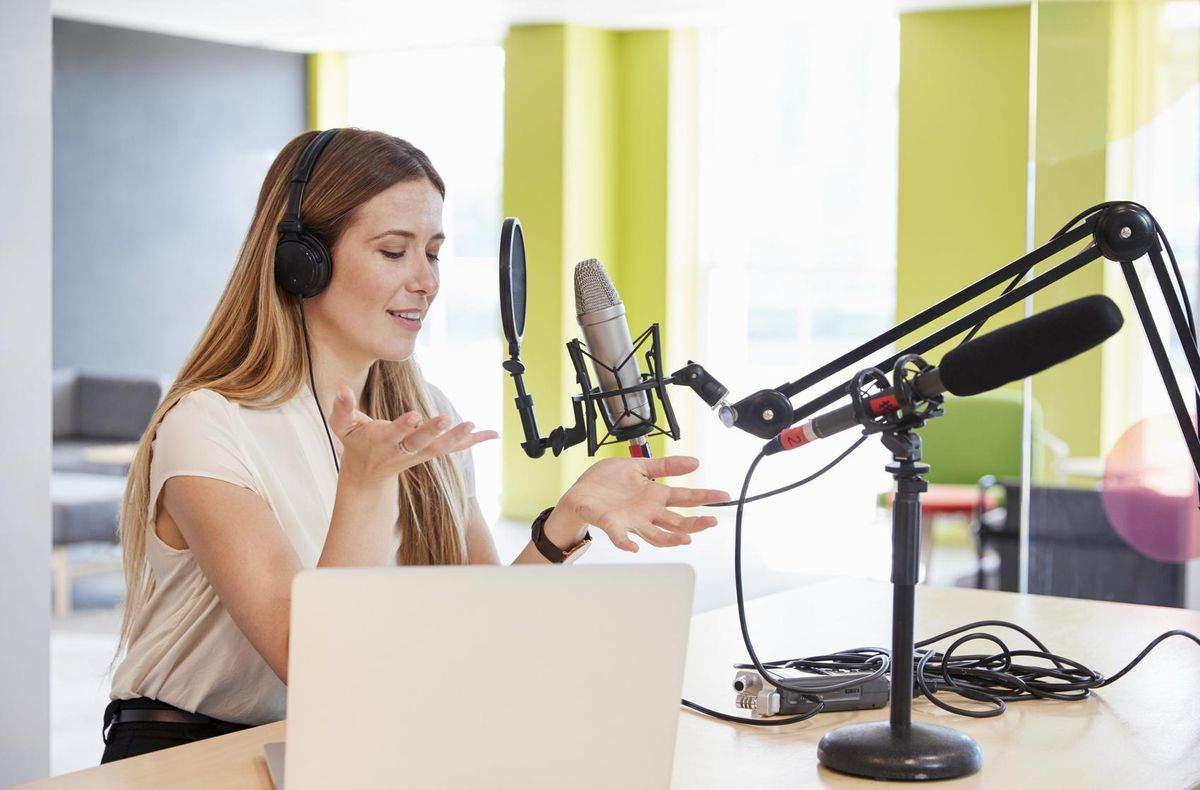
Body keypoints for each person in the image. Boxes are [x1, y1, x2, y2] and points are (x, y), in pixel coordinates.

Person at [101, 128, 729, 763]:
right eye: (394, 252)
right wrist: (366, 484)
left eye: (433, 253)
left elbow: (487, 630)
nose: (426, 281)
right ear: (303, 261)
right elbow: (317, 666)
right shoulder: (208, 424)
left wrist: (564, 523)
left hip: (346, 744)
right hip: (184, 749)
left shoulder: (425, 414)